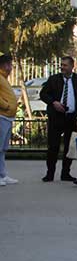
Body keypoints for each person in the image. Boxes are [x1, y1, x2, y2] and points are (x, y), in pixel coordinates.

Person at [39, 56, 77, 182]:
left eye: (65, 65)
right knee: (53, 146)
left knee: (69, 147)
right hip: (56, 117)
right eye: (62, 65)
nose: (62, 67)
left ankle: (65, 173)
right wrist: (54, 102)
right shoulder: (54, 79)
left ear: (72, 66)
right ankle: (50, 173)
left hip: (72, 118)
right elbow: (43, 94)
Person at [0, 53, 18, 186]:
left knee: (3, 148)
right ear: (4, 65)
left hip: (7, 117)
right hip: (2, 115)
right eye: (10, 64)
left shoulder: (3, 78)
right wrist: (6, 106)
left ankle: (2, 174)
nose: (11, 67)